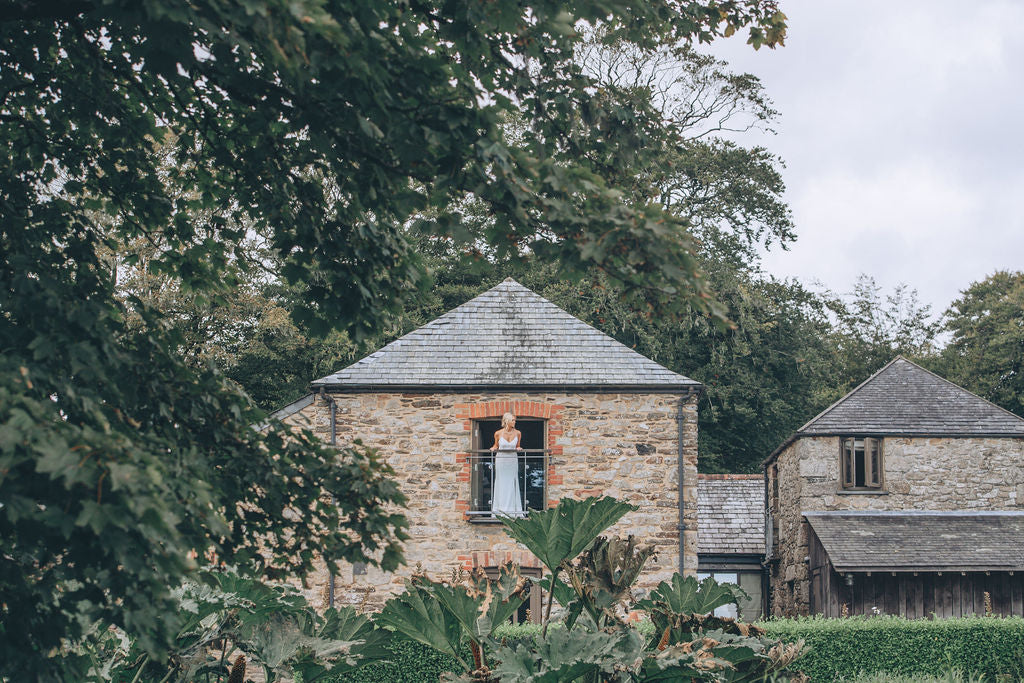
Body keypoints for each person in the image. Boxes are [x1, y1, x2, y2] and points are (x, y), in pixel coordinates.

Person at [490, 412, 524, 515]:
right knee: (501, 483)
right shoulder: (498, 433)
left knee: (512, 483)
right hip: (501, 461)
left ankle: (514, 512)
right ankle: (500, 511)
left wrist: (518, 448)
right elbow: (496, 445)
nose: (515, 422)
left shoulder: (518, 433)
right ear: (507, 421)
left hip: (512, 460)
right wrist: (493, 448)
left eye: (515, 420)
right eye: (513, 420)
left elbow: (517, 445)